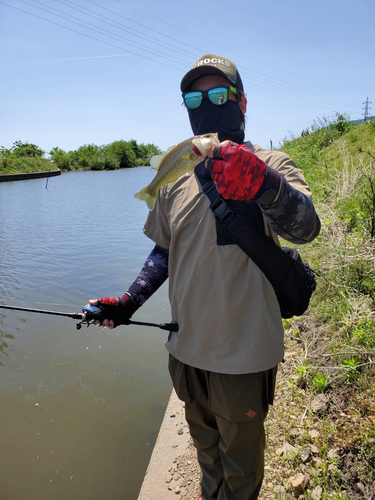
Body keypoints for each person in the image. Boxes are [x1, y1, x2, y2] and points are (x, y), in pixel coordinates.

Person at [89, 53, 320, 500]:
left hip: (244, 356)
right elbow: (164, 251)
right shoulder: (176, 175)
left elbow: (305, 227)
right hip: (186, 350)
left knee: (241, 471)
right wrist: (130, 299)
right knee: (207, 457)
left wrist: (266, 186)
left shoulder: (272, 162)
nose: (206, 104)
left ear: (242, 103)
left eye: (218, 94)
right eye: (193, 98)